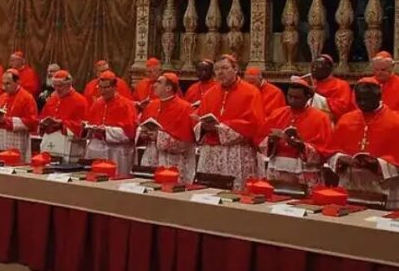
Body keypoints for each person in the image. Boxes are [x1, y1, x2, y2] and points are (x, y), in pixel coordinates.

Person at [329, 78, 399, 209]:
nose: (362, 103)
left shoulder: (398, 123)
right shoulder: (346, 120)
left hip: (383, 186)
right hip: (350, 182)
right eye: (359, 100)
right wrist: (340, 159)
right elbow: (331, 151)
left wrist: (377, 164)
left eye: (367, 100)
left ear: (379, 96)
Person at [194, 55, 265, 188]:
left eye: (225, 68)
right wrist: (202, 126)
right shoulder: (209, 93)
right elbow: (199, 118)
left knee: (236, 192)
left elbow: (255, 124)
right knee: (207, 193)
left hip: (237, 152)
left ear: (235, 68)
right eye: (217, 69)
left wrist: (221, 128)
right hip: (210, 152)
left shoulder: (251, 92)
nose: (220, 72)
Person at [258, 79, 332, 189]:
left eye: (297, 98)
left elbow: (324, 150)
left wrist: (301, 146)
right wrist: (272, 140)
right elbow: (260, 140)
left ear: (308, 97)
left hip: (304, 170)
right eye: (289, 96)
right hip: (277, 168)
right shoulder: (277, 114)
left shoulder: (320, 118)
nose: (292, 100)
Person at [138, 73, 197, 183]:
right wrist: (144, 134)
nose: (155, 85)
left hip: (174, 162)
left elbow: (185, 143)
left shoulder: (185, 108)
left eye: (159, 82)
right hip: (152, 156)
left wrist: (159, 136)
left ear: (169, 88)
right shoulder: (152, 105)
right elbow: (141, 128)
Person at [84, 71, 138, 175]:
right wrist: (88, 127)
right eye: (100, 88)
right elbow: (89, 124)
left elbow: (130, 133)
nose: (102, 91)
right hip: (97, 149)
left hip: (116, 152)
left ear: (114, 87)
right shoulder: (97, 104)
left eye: (106, 88)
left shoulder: (126, 105)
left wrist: (107, 131)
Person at [0, 69, 39, 162]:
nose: (4, 87)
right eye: (3, 84)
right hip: (0, 137)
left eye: (8, 84)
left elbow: (32, 122)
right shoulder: (2, 96)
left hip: (16, 138)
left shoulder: (27, 97)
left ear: (18, 82)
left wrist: (8, 121)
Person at [39, 70, 88, 161]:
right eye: (55, 86)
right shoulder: (52, 99)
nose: (57, 89)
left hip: (68, 142)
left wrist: (62, 124)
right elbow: (42, 117)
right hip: (50, 141)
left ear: (69, 84)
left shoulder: (80, 101)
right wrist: (44, 124)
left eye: (60, 86)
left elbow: (83, 127)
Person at [310, 54, 355, 121]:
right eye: (312, 67)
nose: (313, 70)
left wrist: (316, 97)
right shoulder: (310, 83)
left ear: (329, 68)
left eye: (318, 67)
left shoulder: (341, 85)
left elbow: (342, 108)